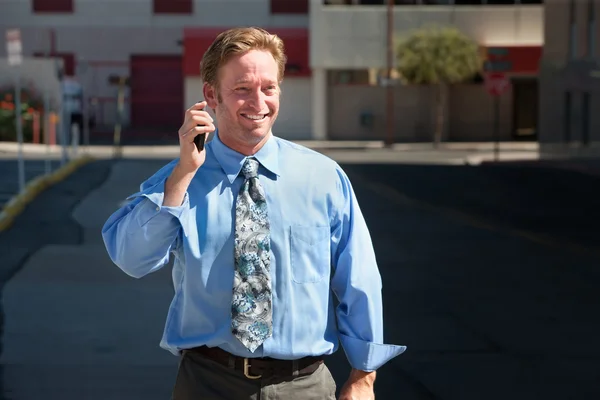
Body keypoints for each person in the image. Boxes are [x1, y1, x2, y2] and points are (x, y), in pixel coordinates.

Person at [101, 27, 405, 400]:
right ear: (211, 95)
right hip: (207, 384)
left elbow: (358, 279)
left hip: (305, 386)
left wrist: (363, 375)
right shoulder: (180, 177)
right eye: (242, 88)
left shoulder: (323, 178)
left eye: (269, 87)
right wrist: (181, 176)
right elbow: (131, 258)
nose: (258, 101)